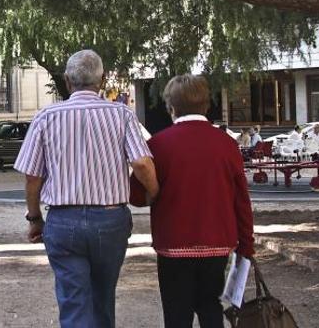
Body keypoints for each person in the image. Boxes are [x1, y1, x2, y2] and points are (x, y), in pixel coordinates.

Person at [14, 49, 159, 328]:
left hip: (63, 220)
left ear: (68, 81)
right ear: (101, 80)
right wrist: (155, 194)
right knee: (103, 297)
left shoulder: (46, 117)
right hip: (110, 219)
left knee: (73, 301)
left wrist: (34, 219)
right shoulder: (122, 115)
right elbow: (141, 163)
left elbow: (33, 177)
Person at [145, 74, 255, 328]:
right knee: (210, 307)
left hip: (173, 244)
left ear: (171, 107)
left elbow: (138, 195)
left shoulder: (158, 145)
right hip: (217, 243)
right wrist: (246, 245)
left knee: (176, 312)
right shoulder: (227, 145)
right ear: (206, 105)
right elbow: (241, 201)